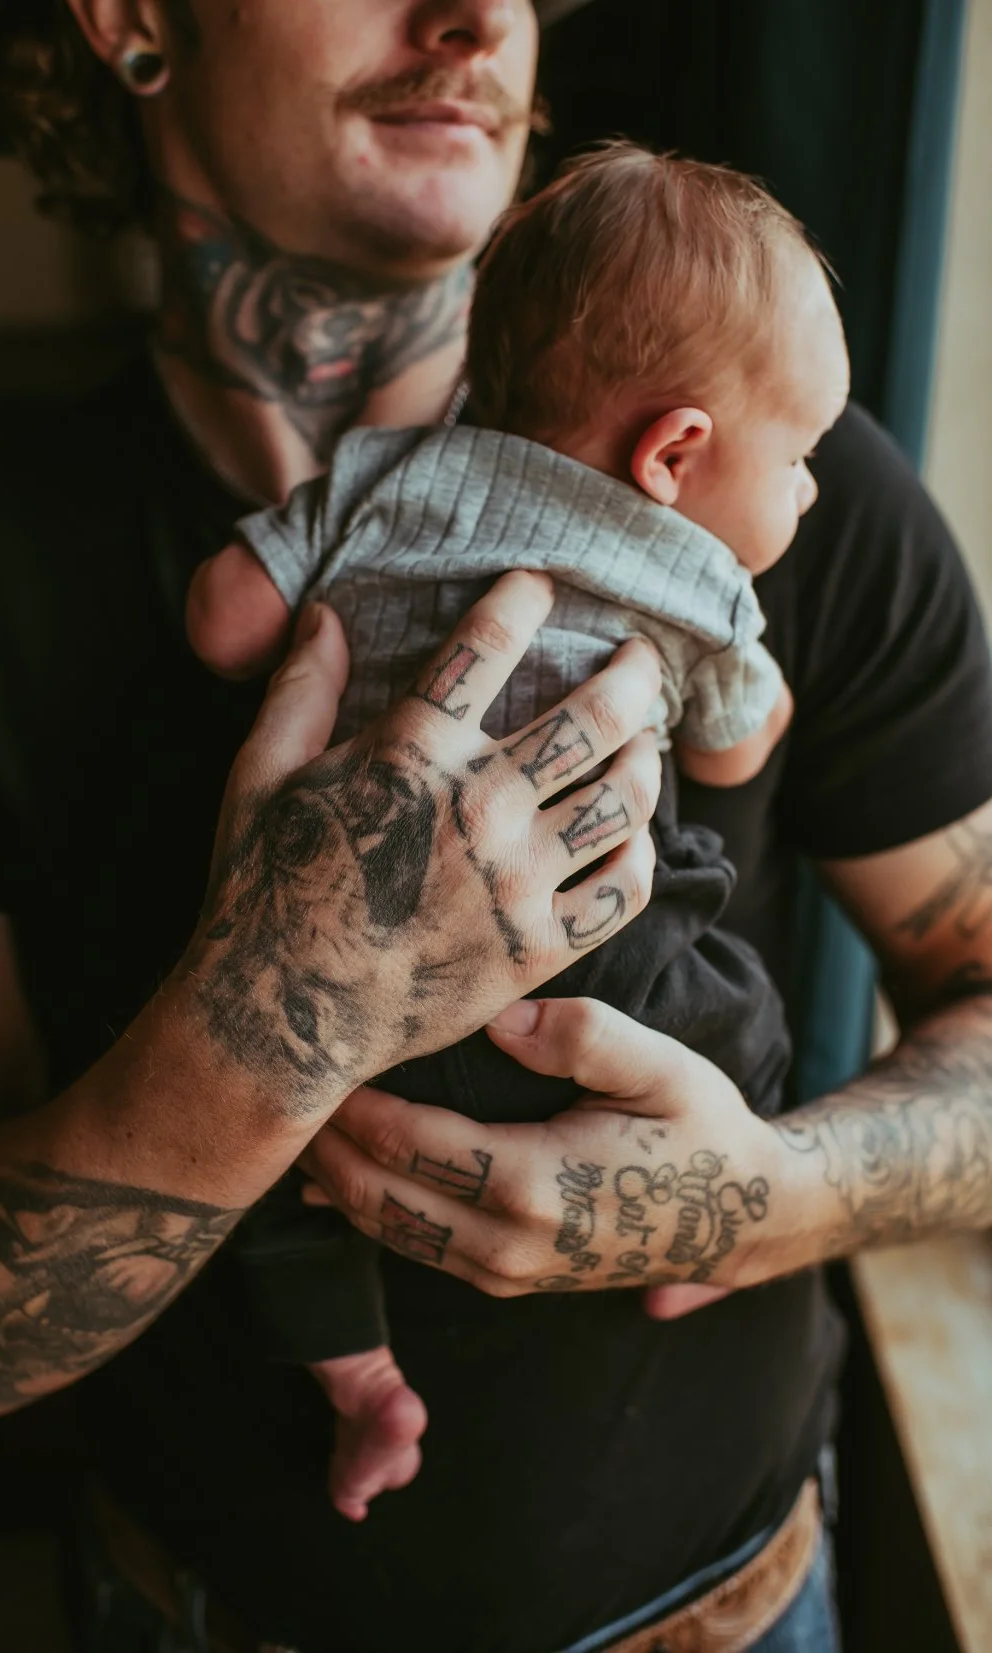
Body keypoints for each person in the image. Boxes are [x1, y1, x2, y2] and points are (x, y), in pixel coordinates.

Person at [0, 3, 989, 1652]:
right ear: (130, 20)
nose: (479, 16)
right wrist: (272, 1017)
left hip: (732, 1606)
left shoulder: (780, 480)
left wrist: (766, 1199)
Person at [187, 139, 842, 1521]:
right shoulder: (700, 578)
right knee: (739, 1017)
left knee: (279, 1174)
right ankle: (712, 1226)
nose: (813, 495)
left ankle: (364, 1385)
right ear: (676, 453)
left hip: (323, 962)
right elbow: (735, 746)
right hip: (583, 962)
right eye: (805, 459)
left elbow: (223, 622)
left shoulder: (386, 471)